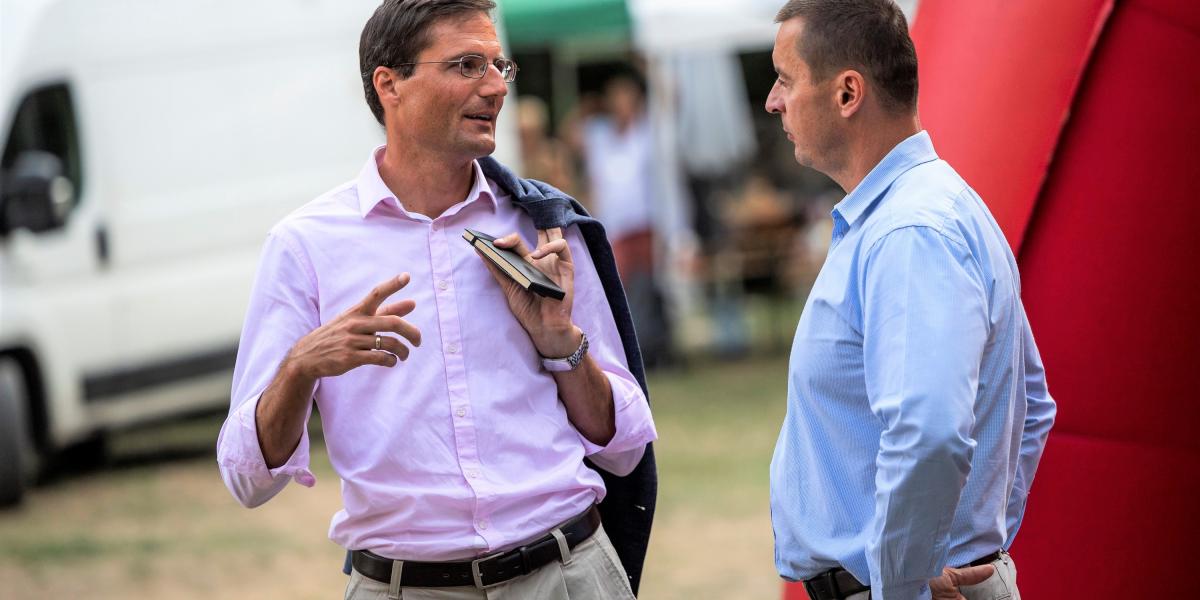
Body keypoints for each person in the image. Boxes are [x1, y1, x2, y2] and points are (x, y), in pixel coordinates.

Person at [215, 2, 658, 598]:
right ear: (389, 83)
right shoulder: (304, 246)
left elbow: (627, 451)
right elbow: (247, 479)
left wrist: (563, 346)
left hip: (567, 574)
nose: (497, 86)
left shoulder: (545, 223)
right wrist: (299, 367)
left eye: (499, 64)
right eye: (468, 65)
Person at [763, 2, 1057, 600]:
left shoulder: (909, 230)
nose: (773, 100)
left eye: (786, 79)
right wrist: (972, 544)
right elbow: (1034, 405)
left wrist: (905, 581)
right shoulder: (921, 213)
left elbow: (930, 432)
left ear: (848, 93)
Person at [580, 74, 674, 367]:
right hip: (614, 226)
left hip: (644, 222)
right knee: (620, 291)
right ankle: (629, 350)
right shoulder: (599, 136)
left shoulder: (646, 133)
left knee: (647, 288)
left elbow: (670, 106)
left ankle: (651, 349)